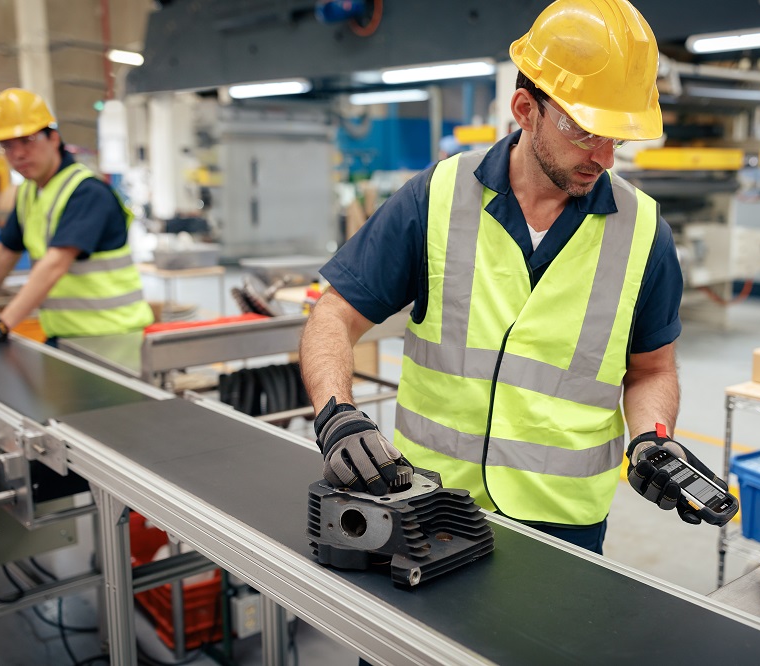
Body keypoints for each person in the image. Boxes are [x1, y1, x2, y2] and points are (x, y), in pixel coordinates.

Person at [299, 0, 727, 555]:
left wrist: (652, 439)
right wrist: (337, 414)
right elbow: (334, 314)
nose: (603, 158)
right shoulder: (437, 197)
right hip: (426, 501)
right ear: (526, 109)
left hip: (564, 523)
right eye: (583, 131)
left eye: (616, 138)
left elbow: (651, 369)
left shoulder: (645, 233)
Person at [0, 88, 153, 346]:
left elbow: (55, 264)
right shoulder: (28, 194)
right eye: (8, 146)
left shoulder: (87, 192)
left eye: (28, 140)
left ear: (53, 138)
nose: (18, 154)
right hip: (64, 336)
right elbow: (5, 251)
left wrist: (3, 324)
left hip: (114, 337)